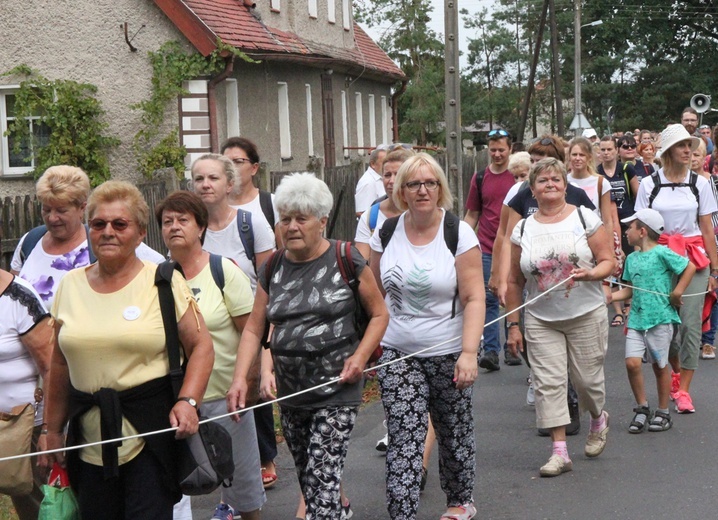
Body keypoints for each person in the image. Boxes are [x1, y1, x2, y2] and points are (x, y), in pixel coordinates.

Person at [40, 181, 214, 519]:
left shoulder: (164, 281)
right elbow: (59, 364)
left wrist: (188, 401)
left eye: (120, 224)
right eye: (98, 224)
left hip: (151, 435)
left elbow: (202, 346)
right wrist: (52, 430)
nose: (108, 232)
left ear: (140, 233)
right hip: (88, 439)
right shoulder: (69, 286)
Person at [227, 173, 389, 520]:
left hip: (337, 390)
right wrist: (242, 378)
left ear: (322, 221)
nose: (292, 226)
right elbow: (255, 329)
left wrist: (359, 358)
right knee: (309, 478)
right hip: (292, 394)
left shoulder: (346, 258)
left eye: (301, 218)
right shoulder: (272, 266)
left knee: (321, 482)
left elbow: (378, 315)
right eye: (285, 219)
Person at [370, 153, 484, 520]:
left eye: (430, 183)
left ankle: (459, 501)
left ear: (440, 188)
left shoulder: (457, 232)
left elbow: (474, 296)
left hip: (449, 351)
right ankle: (402, 512)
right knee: (405, 435)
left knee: (453, 431)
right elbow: (373, 294)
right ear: (401, 190)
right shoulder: (386, 232)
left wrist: (469, 352)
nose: (422, 190)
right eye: (414, 184)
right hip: (398, 352)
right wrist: (369, 347)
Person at [156, 191, 264, 520]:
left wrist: (246, 383)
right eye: (167, 221)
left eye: (183, 220)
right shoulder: (158, 277)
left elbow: (252, 332)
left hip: (225, 395)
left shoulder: (222, 271)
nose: (174, 227)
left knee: (242, 488)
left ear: (201, 227)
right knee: (177, 484)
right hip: (179, 399)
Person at [505, 158, 616, 478]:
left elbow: (608, 261)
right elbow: (513, 280)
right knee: (548, 383)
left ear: (565, 186)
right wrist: (514, 325)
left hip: (586, 312)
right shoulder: (523, 228)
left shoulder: (584, 218)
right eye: (542, 181)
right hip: (541, 318)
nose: (550, 184)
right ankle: (559, 451)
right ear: (533, 190)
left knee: (586, 382)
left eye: (556, 179)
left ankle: (598, 417)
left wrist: (592, 273)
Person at [634, 124, 718, 414]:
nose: (689, 151)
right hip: (659, 257)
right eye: (682, 146)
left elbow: (707, 227)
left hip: (694, 259)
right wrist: (638, 266)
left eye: (690, 146)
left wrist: (715, 271)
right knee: (664, 326)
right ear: (669, 151)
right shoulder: (649, 184)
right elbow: (640, 228)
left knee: (691, 323)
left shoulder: (700, 183)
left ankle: (683, 390)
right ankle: (675, 372)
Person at [221, 137, 281, 491]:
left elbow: (271, 270)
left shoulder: (266, 206)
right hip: (217, 312)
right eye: (225, 162)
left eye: (239, 161)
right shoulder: (209, 208)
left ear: (255, 167)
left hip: (256, 308)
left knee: (257, 382)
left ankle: (265, 456)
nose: (232, 169)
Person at [10, 166, 163, 302]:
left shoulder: (102, 240)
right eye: (47, 209)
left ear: (82, 208)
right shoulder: (30, 241)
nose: (52, 218)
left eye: (61, 210)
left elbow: (158, 265)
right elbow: (10, 296)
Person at [610, 209, 696, 433]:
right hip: (637, 319)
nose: (626, 231)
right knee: (632, 362)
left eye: (629, 227)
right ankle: (642, 407)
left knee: (660, 366)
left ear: (642, 231)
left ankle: (663, 411)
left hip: (660, 318)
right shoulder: (631, 259)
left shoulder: (662, 253)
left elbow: (689, 267)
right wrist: (609, 297)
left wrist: (677, 292)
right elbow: (628, 291)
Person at [465, 129, 520, 370]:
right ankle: (490, 350)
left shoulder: (517, 177)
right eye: (493, 150)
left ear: (510, 149)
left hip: (514, 245)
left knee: (513, 296)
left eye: (502, 150)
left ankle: (513, 346)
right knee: (488, 297)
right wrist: (461, 238)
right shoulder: (479, 178)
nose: (497, 154)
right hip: (486, 246)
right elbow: (473, 213)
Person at [0, 270, 52, 520]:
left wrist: (48, 431)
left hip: (25, 427)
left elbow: (52, 366)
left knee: (37, 507)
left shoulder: (19, 297)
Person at [192, 153, 274, 293]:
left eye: (213, 178)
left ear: (229, 185)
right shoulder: (187, 229)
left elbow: (268, 285)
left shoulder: (252, 225)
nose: (205, 185)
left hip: (249, 313)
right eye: (199, 179)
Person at [354, 148, 413, 260]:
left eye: (398, 174)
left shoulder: (423, 214)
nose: (391, 181)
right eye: (387, 175)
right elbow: (360, 265)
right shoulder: (370, 218)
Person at [355, 146, 388, 217]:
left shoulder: (380, 179)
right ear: (373, 164)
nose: (387, 165)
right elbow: (362, 213)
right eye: (384, 162)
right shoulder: (368, 182)